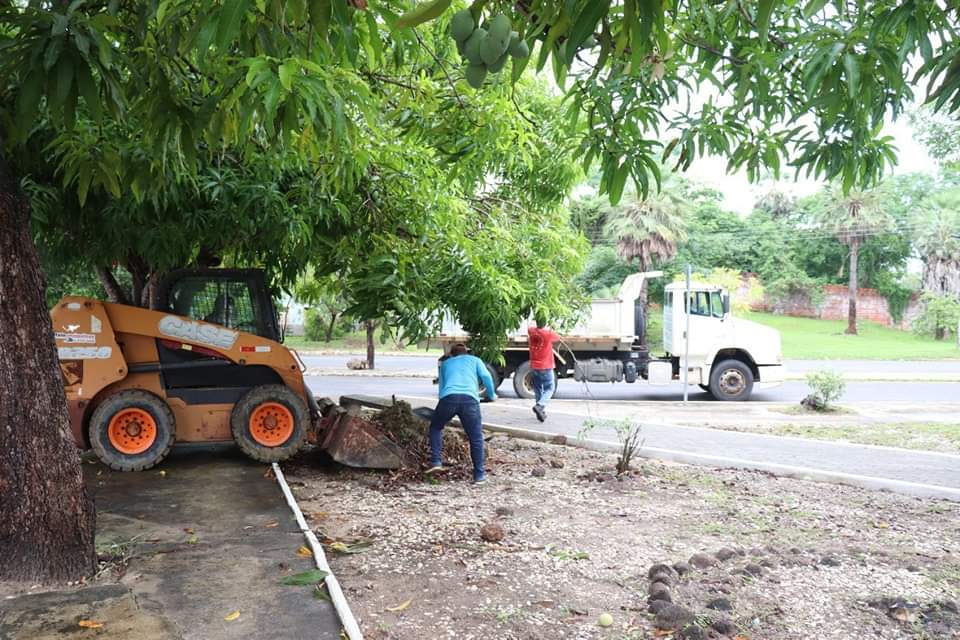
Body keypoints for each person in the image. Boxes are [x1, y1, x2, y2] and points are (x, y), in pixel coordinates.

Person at [426, 343, 496, 484]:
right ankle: (479, 475)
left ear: (452, 354)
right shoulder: (475, 360)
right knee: (476, 437)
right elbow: (486, 376)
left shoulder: (445, 364)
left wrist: (444, 404)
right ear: (466, 353)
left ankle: (436, 461)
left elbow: (442, 387)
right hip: (470, 400)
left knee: (436, 427)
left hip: (448, 399)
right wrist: (492, 394)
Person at [527, 322, 560, 422]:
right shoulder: (548, 333)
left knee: (537, 389)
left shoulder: (531, 331)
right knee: (550, 388)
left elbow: (530, 326)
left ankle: (540, 412)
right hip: (545, 366)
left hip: (534, 366)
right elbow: (558, 337)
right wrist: (551, 327)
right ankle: (540, 406)